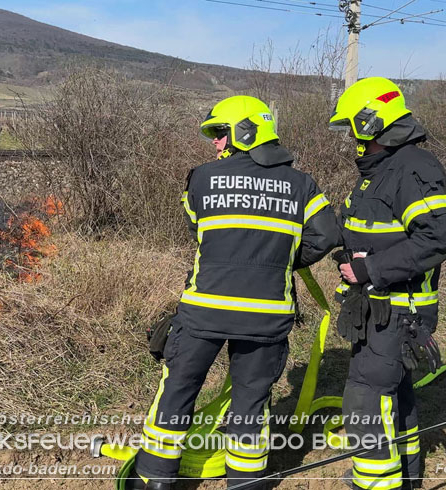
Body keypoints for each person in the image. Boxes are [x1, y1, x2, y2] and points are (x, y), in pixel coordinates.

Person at [131, 95, 340, 489]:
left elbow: (200, 230)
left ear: (245, 132)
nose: (214, 142)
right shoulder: (302, 184)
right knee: (252, 400)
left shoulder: (201, 178)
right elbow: (328, 235)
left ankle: (155, 479)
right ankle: (246, 483)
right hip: (266, 316)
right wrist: (284, 259)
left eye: (219, 132)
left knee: (177, 388)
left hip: (202, 312)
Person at [329, 77, 446, 490]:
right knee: (394, 396)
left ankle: (375, 482)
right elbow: (365, 228)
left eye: (353, 127)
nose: (351, 138)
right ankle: (405, 477)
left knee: (366, 397)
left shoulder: (412, 167)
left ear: (371, 123)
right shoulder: (379, 172)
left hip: (398, 310)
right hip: (378, 308)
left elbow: (436, 239)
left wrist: (370, 269)